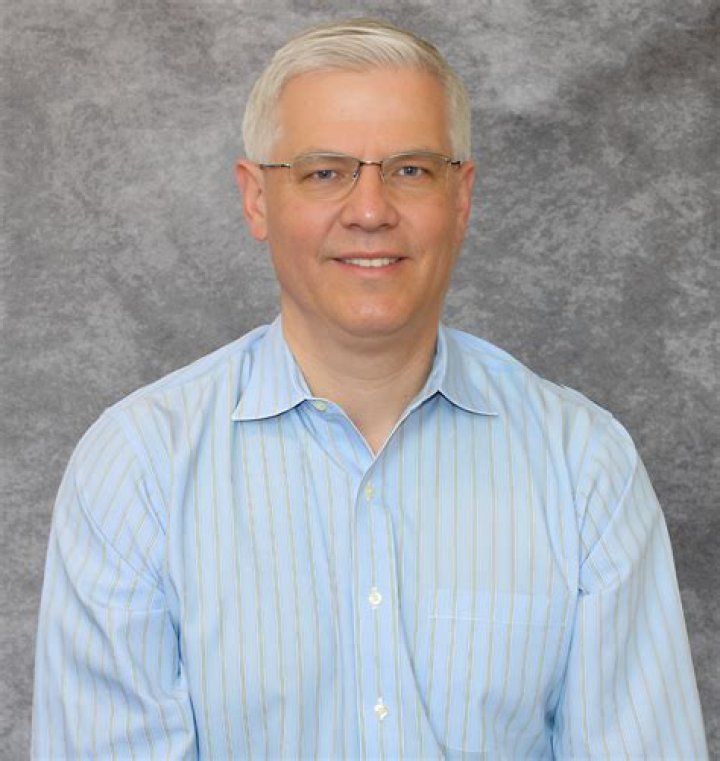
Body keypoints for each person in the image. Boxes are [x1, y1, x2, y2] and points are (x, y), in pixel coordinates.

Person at [32, 18, 708, 760]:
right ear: (256, 199)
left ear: (462, 197)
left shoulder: (586, 467)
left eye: (411, 169)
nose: (370, 210)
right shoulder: (136, 470)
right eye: (324, 172)